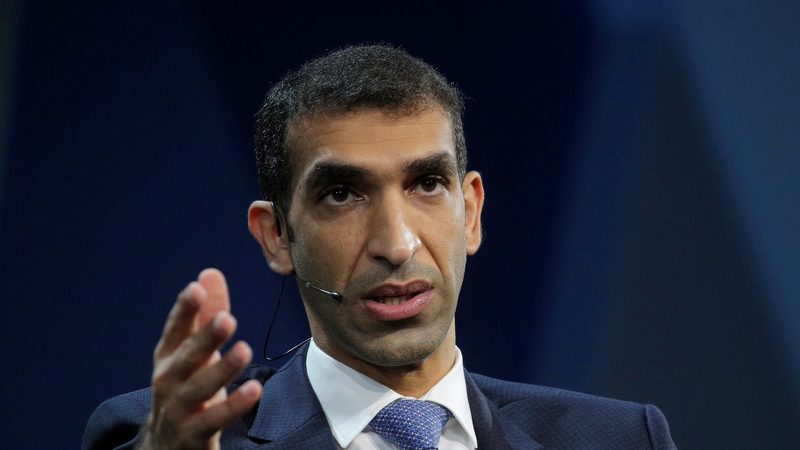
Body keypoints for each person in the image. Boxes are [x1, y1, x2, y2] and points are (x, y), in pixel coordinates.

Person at [83, 45, 676, 450]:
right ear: (277, 236)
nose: (397, 244)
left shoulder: (619, 437)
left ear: (469, 213)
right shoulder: (160, 435)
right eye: (342, 194)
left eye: (426, 184)